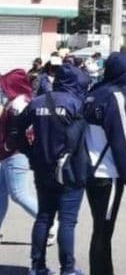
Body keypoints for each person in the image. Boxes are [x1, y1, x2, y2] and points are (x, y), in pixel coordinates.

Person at [13, 63, 89, 275]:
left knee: (44, 216)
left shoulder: (37, 102)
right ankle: (68, 269)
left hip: (42, 167)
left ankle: (37, 266)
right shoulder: (77, 104)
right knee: (67, 221)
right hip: (71, 169)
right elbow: (82, 137)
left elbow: (17, 129)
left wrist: (30, 152)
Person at [82, 52, 126, 275]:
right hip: (108, 173)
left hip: (90, 171)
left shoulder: (94, 92)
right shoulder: (115, 97)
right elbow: (120, 143)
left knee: (100, 229)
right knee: (104, 232)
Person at [0, 69, 44, 244]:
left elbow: (18, 131)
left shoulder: (19, 103)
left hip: (15, 155)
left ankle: (49, 223)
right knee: (1, 194)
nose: (2, 89)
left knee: (19, 194)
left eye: (5, 86)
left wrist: (7, 145)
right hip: (8, 155)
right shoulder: (18, 101)